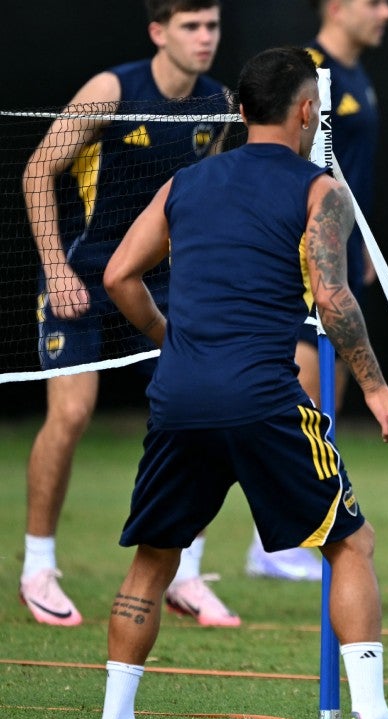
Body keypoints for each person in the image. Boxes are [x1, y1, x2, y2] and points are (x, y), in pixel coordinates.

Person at [97, 46, 388, 719]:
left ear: (239, 112)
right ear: (308, 111)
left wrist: (169, 337)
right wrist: (378, 387)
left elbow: (120, 274)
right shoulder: (320, 190)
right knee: (349, 544)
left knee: (155, 561)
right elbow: (333, 298)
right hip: (261, 398)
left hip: (178, 396)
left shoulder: (186, 182)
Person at [19, 0, 238, 629]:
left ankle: (186, 576)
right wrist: (57, 267)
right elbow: (38, 169)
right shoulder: (112, 90)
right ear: (158, 32)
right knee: (73, 412)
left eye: (212, 26)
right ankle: (38, 567)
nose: (204, 38)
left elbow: (213, 189)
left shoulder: (218, 102)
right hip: (84, 273)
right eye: (191, 27)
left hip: (165, 282)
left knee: (198, 413)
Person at [244, 0, 388, 583]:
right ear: (335, 6)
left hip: (341, 255)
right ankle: (272, 541)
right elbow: (291, 165)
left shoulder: (357, 76)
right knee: (296, 397)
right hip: (303, 260)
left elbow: (350, 174)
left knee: (323, 396)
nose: (385, 12)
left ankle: (277, 535)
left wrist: (361, 252)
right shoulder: (309, 72)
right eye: (372, 2)